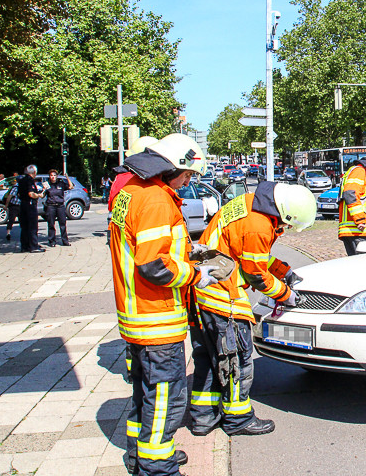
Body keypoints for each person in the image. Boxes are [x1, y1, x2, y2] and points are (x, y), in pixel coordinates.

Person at [109, 133, 220, 476]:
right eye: (186, 173)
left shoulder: (129, 193)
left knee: (144, 397)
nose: (189, 181)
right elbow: (154, 266)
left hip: (136, 315)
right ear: (169, 168)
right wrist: (195, 275)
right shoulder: (156, 200)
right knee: (166, 402)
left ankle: (139, 457)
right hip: (157, 318)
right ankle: (158, 468)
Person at [188, 182, 316, 437]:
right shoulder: (259, 224)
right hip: (223, 296)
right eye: (288, 225)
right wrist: (286, 295)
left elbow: (244, 252)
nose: (285, 229)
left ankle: (203, 417)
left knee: (210, 358)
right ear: (284, 213)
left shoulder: (248, 203)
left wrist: (283, 270)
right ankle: (238, 419)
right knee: (237, 359)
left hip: (203, 290)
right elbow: (254, 272)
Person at [17, 165, 44, 253]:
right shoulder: (30, 180)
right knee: (32, 227)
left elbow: (18, 194)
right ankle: (33, 246)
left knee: (24, 227)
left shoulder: (21, 180)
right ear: (34, 172)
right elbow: (31, 193)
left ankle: (25, 246)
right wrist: (39, 195)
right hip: (30, 205)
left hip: (23, 205)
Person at [44, 169, 74, 247]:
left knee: (62, 224)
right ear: (49, 176)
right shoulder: (47, 184)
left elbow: (71, 187)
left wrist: (67, 178)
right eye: (51, 175)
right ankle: (52, 241)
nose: (53, 177)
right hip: (51, 206)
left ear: (57, 176)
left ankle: (65, 241)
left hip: (60, 206)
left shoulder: (61, 183)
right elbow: (42, 194)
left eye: (54, 175)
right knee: (51, 224)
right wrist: (43, 189)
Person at [3, 173, 20, 242]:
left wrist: (6, 206)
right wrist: (6, 205)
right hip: (15, 206)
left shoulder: (17, 186)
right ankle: (8, 233)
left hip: (16, 205)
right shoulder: (16, 187)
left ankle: (8, 233)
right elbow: (9, 196)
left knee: (11, 220)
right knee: (12, 220)